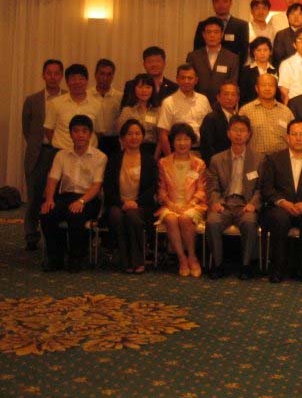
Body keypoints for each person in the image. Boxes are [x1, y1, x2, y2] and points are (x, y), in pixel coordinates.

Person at [261, 119, 302, 282]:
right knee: (279, 219)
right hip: (281, 207)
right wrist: (282, 202)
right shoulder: (274, 159)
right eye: (294, 134)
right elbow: (267, 189)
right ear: (287, 137)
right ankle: (278, 268)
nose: (298, 138)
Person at [39, 115, 106, 272]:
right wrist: (49, 199)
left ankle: (76, 257)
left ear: (90, 134)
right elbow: (53, 179)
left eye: (84, 131)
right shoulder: (61, 155)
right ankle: (55, 257)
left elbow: (97, 186)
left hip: (88, 199)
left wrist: (81, 201)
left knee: (76, 214)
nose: (80, 135)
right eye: (76, 131)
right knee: (47, 213)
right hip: (66, 196)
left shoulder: (100, 157)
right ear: (70, 134)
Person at [205, 114, 263, 280]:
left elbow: (261, 189)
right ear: (228, 133)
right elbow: (212, 187)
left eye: (242, 130)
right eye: (235, 130)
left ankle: (246, 266)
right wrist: (215, 202)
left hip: (245, 204)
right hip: (224, 204)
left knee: (250, 222)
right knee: (212, 221)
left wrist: (253, 204)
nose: (239, 134)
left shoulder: (259, 159)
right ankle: (218, 265)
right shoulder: (217, 159)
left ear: (249, 134)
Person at [22, 58, 65, 251]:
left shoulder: (68, 98)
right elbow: (27, 128)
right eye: (49, 73)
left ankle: (56, 235)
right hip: (39, 153)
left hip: (61, 153)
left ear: (61, 76)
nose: (53, 77)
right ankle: (31, 234)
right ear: (43, 75)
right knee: (35, 195)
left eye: (57, 73)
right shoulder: (32, 100)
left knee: (57, 195)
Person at [104, 119, 157, 273]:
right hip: (118, 203)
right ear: (122, 138)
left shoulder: (149, 160)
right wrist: (122, 203)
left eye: (137, 133)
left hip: (142, 205)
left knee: (132, 215)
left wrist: (136, 202)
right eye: (129, 134)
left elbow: (152, 187)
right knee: (116, 215)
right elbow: (108, 187)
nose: (134, 137)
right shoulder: (114, 159)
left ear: (142, 137)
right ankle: (125, 261)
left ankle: (137, 260)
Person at [156, 123, 207, 277]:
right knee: (171, 219)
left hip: (193, 204)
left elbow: (201, 189)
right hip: (170, 204)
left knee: (185, 218)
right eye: (178, 139)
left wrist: (190, 204)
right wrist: (170, 204)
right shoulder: (163, 163)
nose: (182, 143)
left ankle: (192, 256)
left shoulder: (199, 163)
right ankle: (182, 259)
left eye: (186, 139)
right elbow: (161, 189)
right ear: (172, 142)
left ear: (192, 141)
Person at [156, 64, 212, 157]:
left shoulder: (203, 100)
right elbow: (163, 133)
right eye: (183, 78)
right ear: (177, 79)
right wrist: (170, 157)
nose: (186, 81)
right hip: (177, 152)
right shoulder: (168, 102)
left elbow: (210, 127)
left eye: (190, 78)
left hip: (201, 151)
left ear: (196, 80)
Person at [186, 17, 240, 105]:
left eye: (216, 32)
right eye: (209, 32)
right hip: (196, 104)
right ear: (203, 35)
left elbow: (232, 84)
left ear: (222, 34)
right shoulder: (193, 56)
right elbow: (189, 81)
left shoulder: (232, 58)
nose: (212, 35)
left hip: (222, 105)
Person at [192, 0, 250, 67]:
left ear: (231, 3)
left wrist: (235, 69)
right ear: (213, 3)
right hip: (207, 68)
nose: (221, 5)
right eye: (217, 1)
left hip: (233, 69)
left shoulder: (241, 25)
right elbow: (197, 49)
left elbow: (244, 52)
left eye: (225, 1)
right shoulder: (203, 25)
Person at [239, 74, 294, 155]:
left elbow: (293, 137)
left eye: (271, 85)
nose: (267, 88)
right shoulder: (246, 111)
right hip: (255, 158)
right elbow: (239, 137)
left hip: (281, 158)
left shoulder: (286, 111)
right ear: (257, 88)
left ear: (276, 89)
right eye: (264, 85)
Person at [117, 73, 160, 158]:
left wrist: (155, 157)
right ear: (134, 89)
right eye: (140, 87)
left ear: (153, 90)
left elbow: (161, 138)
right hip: (131, 151)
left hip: (152, 151)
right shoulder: (127, 111)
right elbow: (121, 136)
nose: (144, 90)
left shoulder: (158, 111)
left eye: (148, 87)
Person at [91, 58, 123, 158]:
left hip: (113, 141)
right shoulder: (87, 95)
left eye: (109, 74)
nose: (105, 77)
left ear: (113, 76)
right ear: (95, 75)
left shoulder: (120, 97)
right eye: (102, 73)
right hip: (92, 140)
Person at [278, 27, 302, 103]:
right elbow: (284, 92)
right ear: (294, 45)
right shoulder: (287, 64)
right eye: (300, 40)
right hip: (294, 105)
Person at [238, 36, 277, 106]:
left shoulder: (275, 70)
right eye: (258, 50)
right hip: (251, 107)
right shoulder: (246, 71)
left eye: (265, 50)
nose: (262, 53)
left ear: (270, 52)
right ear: (253, 52)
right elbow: (242, 94)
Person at [271, 2, 302, 68]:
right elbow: (277, 58)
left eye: (300, 14)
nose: (296, 17)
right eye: (292, 14)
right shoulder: (281, 35)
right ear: (288, 17)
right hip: (286, 70)